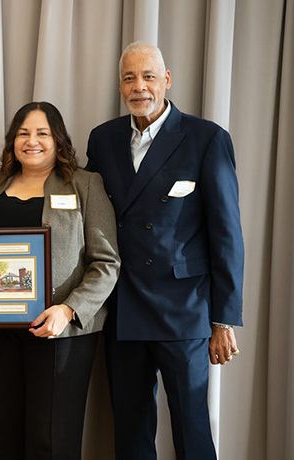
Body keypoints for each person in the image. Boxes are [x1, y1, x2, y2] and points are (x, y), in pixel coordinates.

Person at [85, 42, 244, 459]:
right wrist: (4, 172)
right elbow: (80, 196)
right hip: (124, 305)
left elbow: (227, 234)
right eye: (129, 78)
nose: (139, 87)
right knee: (130, 432)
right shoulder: (103, 139)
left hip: (184, 310)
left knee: (192, 430)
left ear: (167, 80)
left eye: (148, 76)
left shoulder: (206, 138)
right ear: (120, 85)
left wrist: (223, 319)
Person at [0, 102, 120, 459]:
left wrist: (69, 310)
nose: (32, 141)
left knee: (52, 441)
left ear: (58, 140)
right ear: (12, 140)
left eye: (42, 133)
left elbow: (107, 262)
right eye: (23, 133)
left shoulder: (85, 185)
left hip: (60, 335)